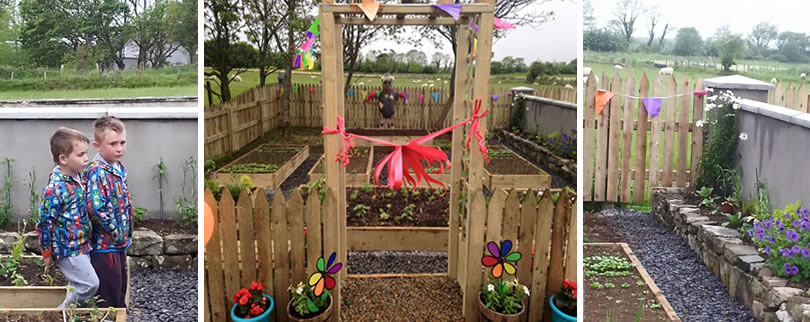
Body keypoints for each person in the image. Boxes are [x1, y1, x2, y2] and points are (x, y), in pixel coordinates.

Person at [38, 127, 99, 308]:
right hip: (68, 249)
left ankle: (71, 315)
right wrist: (47, 252)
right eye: (80, 155)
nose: (86, 158)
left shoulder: (77, 177)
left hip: (82, 244)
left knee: (76, 284)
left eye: (86, 153)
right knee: (90, 284)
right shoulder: (55, 188)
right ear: (63, 159)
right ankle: (61, 313)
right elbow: (44, 222)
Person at [84, 116, 132, 308]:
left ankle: (119, 313)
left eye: (122, 142)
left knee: (120, 286)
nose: (119, 148)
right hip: (104, 246)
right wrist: (115, 230)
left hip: (119, 243)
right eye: (113, 144)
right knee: (108, 291)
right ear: (97, 145)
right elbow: (95, 208)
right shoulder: (97, 172)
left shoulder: (118, 168)